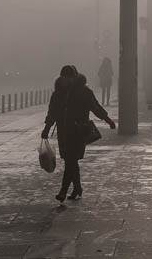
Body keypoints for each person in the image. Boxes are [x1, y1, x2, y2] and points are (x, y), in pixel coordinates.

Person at [42, 65, 115, 202]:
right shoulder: (57, 94)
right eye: (64, 78)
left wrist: (108, 120)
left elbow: (95, 107)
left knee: (71, 161)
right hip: (63, 132)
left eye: (69, 78)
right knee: (71, 161)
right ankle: (77, 188)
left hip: (78, 131)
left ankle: (63, 191)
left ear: (75, 77)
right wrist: (46, 129)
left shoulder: (84, 92)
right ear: (61, 78)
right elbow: (52, 112)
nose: (67, 81)